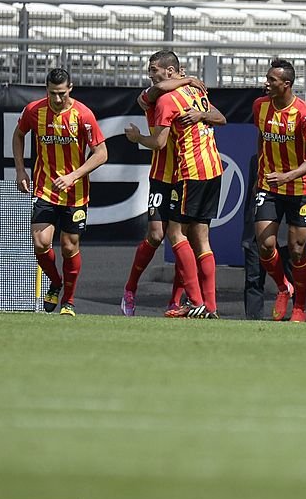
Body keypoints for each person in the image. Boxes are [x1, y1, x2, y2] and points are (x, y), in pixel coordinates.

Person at [125, 50, 226, 319]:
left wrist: (136, 137)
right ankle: (206, 305)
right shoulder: (193, 92)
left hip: (188, 170)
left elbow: (159, 142)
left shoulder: (168, 100)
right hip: (210, 168)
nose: (150, 75)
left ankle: (194, 302)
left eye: (154, 70)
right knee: (186, 238)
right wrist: (189, 80)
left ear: (169, 71)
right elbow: (149, 93)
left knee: (176, 235)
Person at [12, 68, 107, 316]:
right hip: (44, 188)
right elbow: (19, 134)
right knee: (40, 242)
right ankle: (55, 282)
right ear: (46, 89)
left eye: (62, 93)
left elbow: (102, 154)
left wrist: (74, 175)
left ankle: (69, 300)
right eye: (52, 93)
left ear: (70, 88)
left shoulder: (83, 115)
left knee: (68, 247)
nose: (57, 99)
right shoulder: (34, 110)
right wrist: (21, 171)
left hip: (75, 193)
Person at [251, 59, 306, 323]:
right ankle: (283, 287)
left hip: (299, 188)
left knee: (297, 250)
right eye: (267, 78)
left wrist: (287, 176)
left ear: (287, 84)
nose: (266, 83)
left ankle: (300, 306)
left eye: (272, 80)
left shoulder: (305, 114)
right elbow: (261, 137)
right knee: (266, 244)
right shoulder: (260, 106)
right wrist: (267, 171)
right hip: (269, 186)